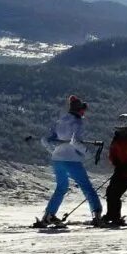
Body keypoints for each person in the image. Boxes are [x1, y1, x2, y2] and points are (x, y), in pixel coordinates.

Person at [38, 95, 102, 226]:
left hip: (57, 159)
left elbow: (44, 140)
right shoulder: (77, 122)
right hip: (71, 160)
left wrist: (55, 151)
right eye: (83, 110)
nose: (84, 113)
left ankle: (48, 215)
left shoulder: (60, 121)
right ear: (79, 110)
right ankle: (97, 214)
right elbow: (75, 141)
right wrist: (87, 154)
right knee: (86, 187)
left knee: (61, 187)